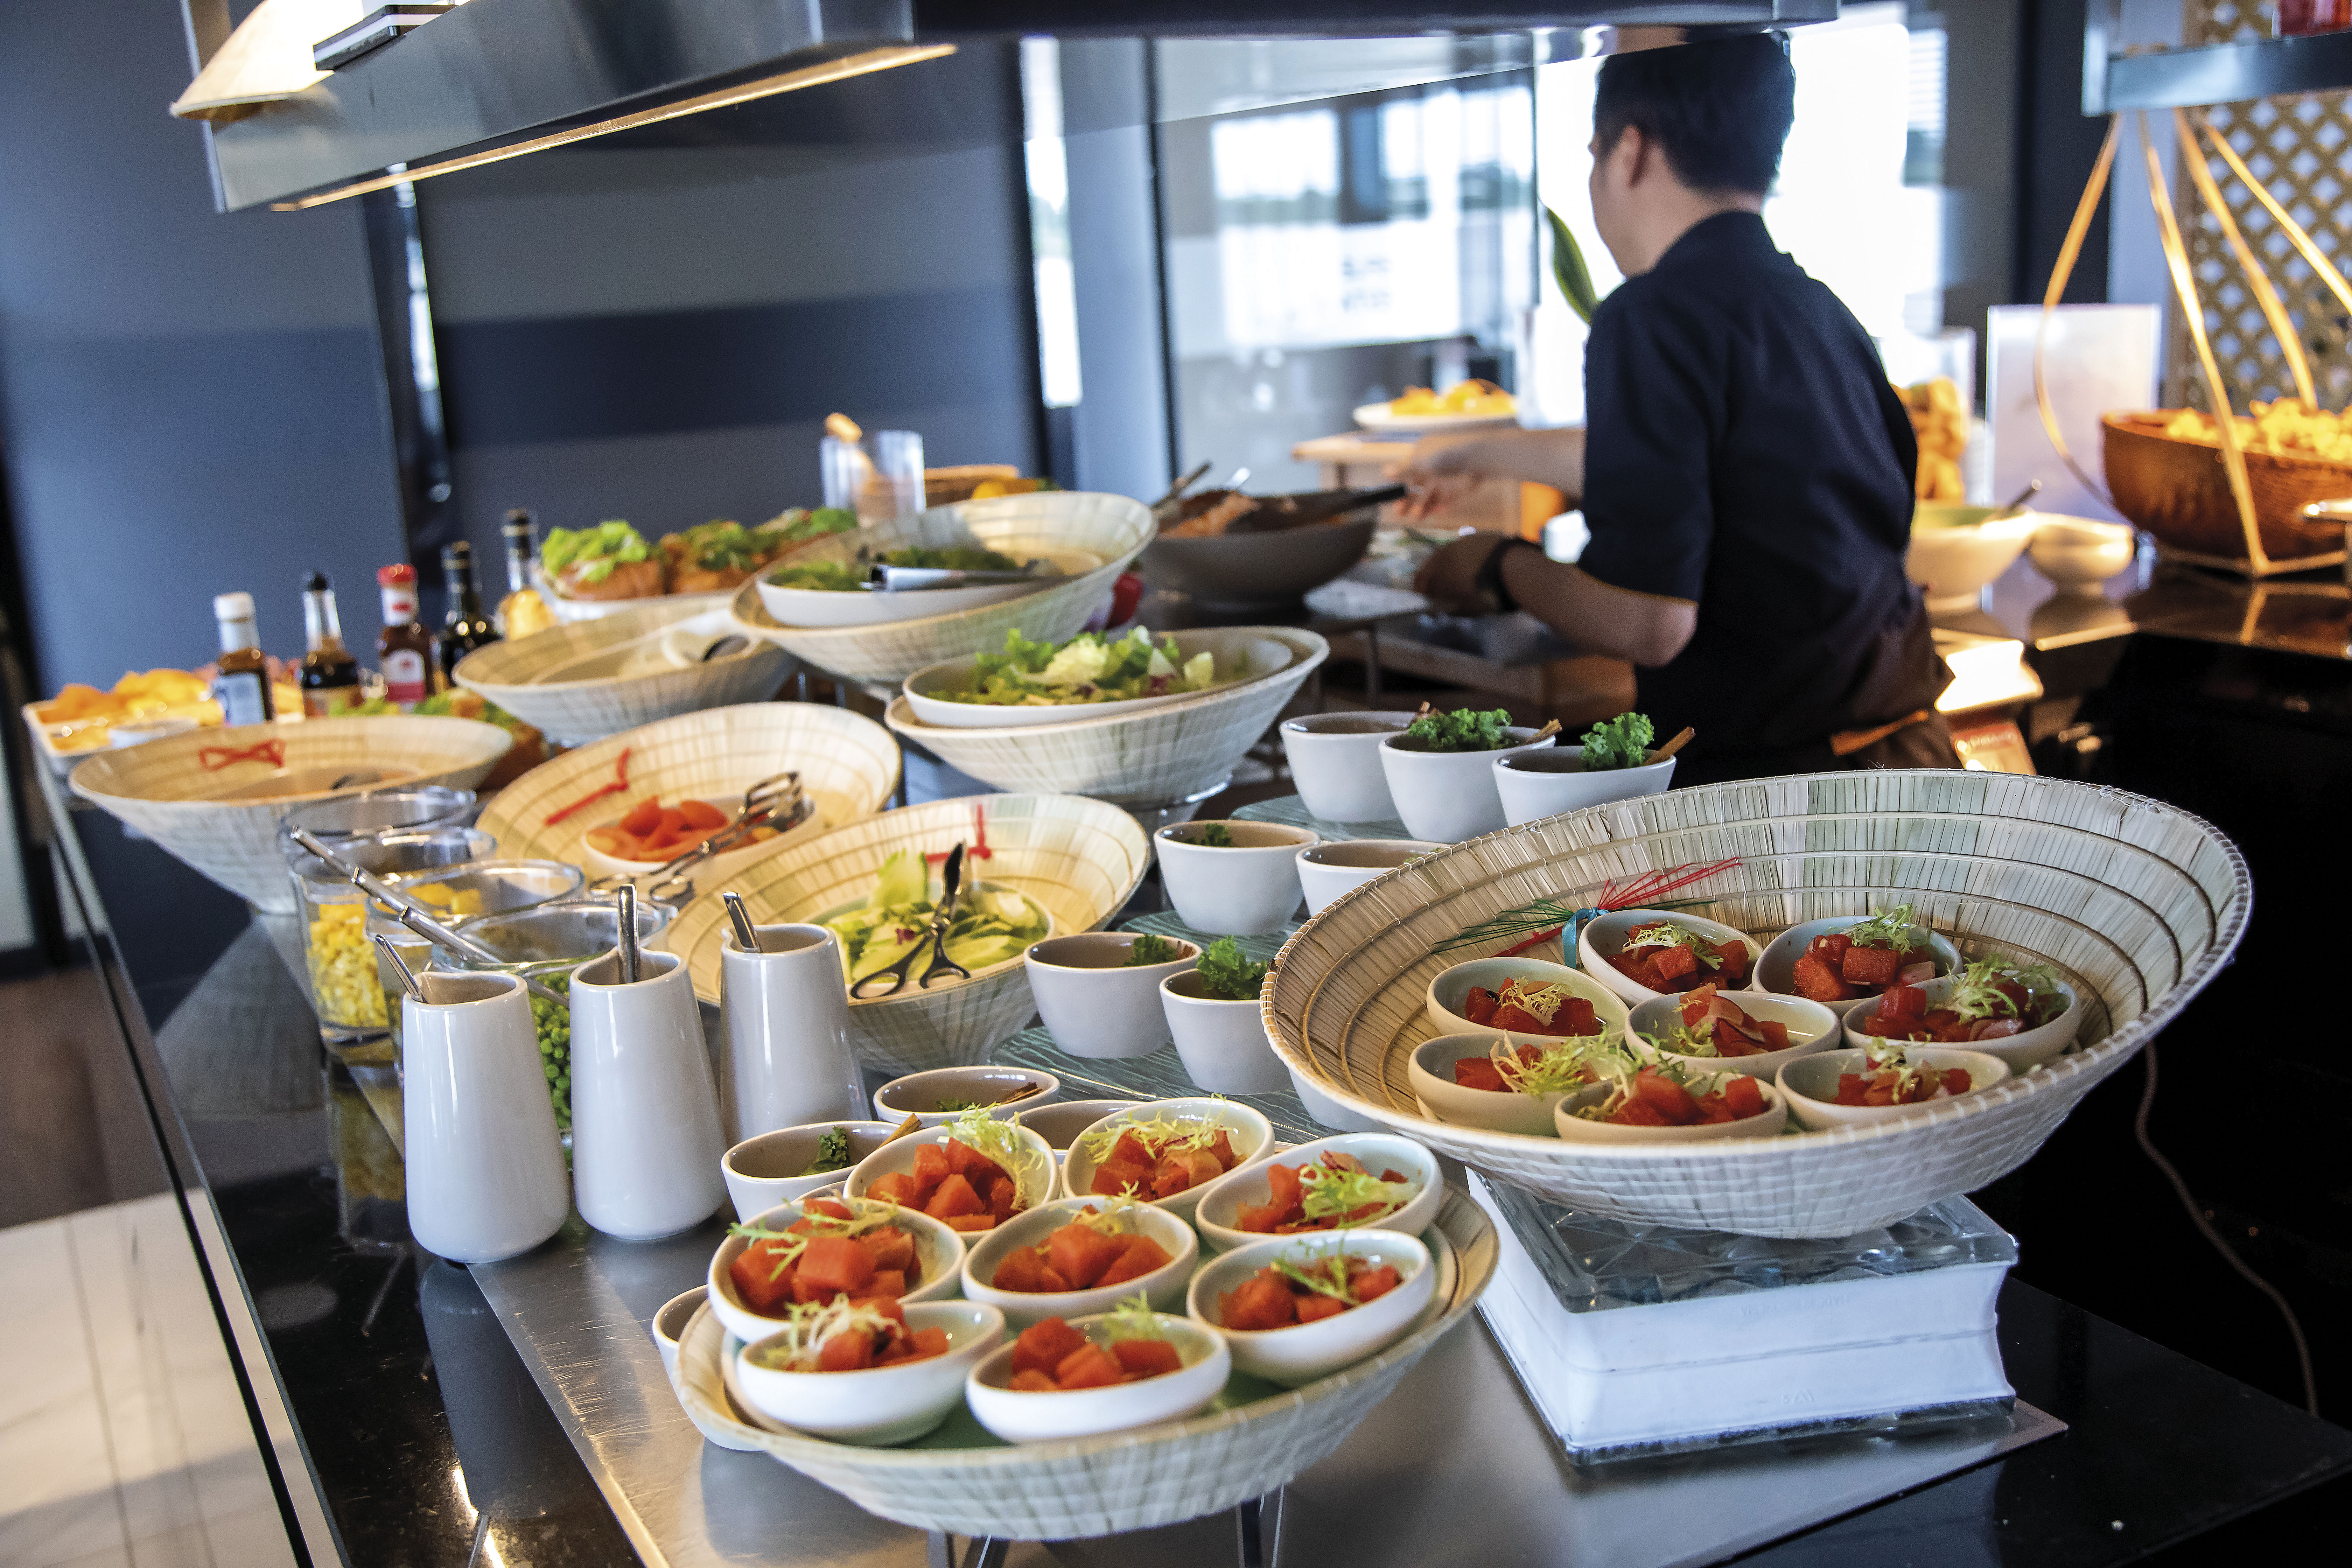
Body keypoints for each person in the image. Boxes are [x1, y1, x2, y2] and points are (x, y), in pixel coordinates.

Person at [1405, 33, 1958, 786]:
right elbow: (1702, 468)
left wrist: (1499, 564)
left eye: (1594, 155)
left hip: (1784, 796)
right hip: (1915, 762)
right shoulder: (1817, 309)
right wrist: (1485, 453)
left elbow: (1650, 621)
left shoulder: (1652, 314)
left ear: (1629, 151)